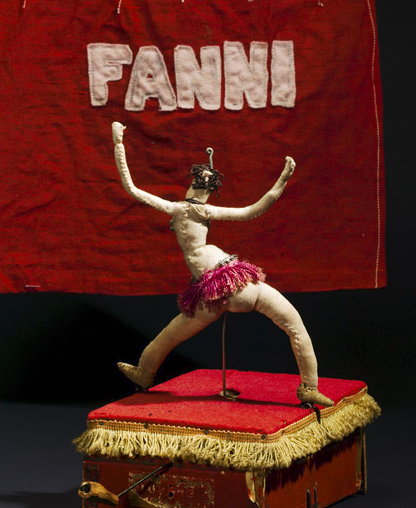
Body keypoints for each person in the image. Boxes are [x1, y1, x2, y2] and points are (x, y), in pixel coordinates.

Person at [112, 121, 334, 407]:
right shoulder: (198, 210)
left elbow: (132, 188)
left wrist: (119, 143)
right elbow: (252, 210)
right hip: (234, 283)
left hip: (217, 290)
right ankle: (309, 387)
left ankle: (144, 373)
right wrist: (282, 179)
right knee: (295, 326)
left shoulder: (182, 209)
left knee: (171, 334)